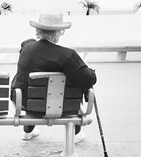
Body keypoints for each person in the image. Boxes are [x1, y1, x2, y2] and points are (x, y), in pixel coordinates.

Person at [11, 10, 97, 141]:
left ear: (38, 30)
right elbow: (89, 80)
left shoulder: (27, 47)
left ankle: (28, 131)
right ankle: (76, 134)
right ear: (58, 32)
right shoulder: (67, 55)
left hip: (24, 102)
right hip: (59, 107)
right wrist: (85, 67)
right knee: (74, 82)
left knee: (34, 85)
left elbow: (27, 44)